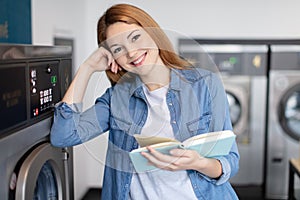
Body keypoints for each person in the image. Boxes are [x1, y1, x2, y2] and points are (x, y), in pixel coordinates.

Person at [50, 3, 240, 200]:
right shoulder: (116, 98)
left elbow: (229, 162)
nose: (131, 53)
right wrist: (87, 68)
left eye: (135, 37)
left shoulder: (206, 84)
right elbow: (63, 136)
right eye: (118, 48)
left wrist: (198, 163)